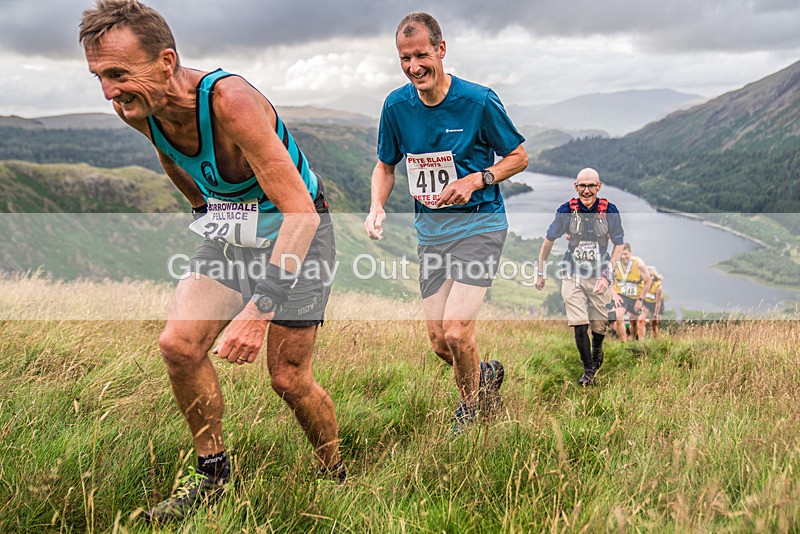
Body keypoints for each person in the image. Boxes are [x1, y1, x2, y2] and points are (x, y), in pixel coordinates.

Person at [80, 0, 343, 522]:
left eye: (118, 74)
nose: (109, 92)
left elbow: (302, 217)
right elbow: (173, 159)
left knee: (289, 379)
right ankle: (214, 477)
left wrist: (257, 309)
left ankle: (333, 471)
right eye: (99, 78)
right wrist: (206, 212)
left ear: (166, 61)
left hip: (300, 234)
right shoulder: (138, 108)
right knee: (179, 345)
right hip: (233, 233)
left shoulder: (231, 101)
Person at [364, 12, 528, 434]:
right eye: (404, 58)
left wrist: (477, 179)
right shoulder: (396, 106)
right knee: (441, 343)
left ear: (441, 49)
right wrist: (376, 206)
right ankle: (485, 373)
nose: (413, 66)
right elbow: (385, 166)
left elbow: (519, 157)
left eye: (421, 55)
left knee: (457, 331)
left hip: (479, 225)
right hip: (430, 234)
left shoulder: (478, 101)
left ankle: (471, 412)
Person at [535, 168, 625, 385]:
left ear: (599, 186)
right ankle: (588, 370)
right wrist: (541, 271)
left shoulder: (610, 211)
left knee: (599, 325)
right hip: (572, 273)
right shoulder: (566, 211)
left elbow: (619, 244)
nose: (586, 190)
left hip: (599, 275)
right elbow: (549, 240)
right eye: (582, 186)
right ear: (576, 186)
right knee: (579, 323)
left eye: (591, 186)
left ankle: (597, 349)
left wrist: (606, 275)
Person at [611, 243, 652, 341]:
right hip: (621, 295)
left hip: (636, 296)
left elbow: (648, 281)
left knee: (635, 321)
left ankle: (637, 342)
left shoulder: (639, 264)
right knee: (618, 318)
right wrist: (615, 295)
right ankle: (623, 344)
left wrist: (640, 299)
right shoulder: (615, 263)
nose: (623, 257)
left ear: (630, 253)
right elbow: (607, 279)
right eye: (621, 254)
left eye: (626, 254)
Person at [643, 265, 664, 337]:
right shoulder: (643, 282)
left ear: (652, 276)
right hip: (646, 303)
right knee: (641, 320)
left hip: (655, 305)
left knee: (654, 324)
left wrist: (656, 315)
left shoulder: (658, 287)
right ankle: (640, 339)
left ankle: (655, 340)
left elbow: (658, 303)